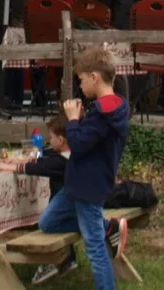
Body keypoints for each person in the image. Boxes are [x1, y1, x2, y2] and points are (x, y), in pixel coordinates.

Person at [37, 49, 129, 290]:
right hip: (77, 184)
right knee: (48, 222)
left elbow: (77, 144)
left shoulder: (104, 112)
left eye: (82, 79)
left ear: (95, 77)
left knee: (95, 248)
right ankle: (105, 226)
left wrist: (73, 119)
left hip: (89, 186)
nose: (81, 84)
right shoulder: (112, 106)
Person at [0, 116, 73, 284]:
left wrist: (11, 166)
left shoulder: (62, 161)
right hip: (69, 206)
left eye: (51, 138)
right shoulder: (66, 154)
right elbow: (44, 157)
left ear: (61, 140)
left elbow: (39, 167)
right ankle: (68, 257)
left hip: (67, 208)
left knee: (46, 223)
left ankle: (52, 259)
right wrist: (25, 157)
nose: (49, 141)